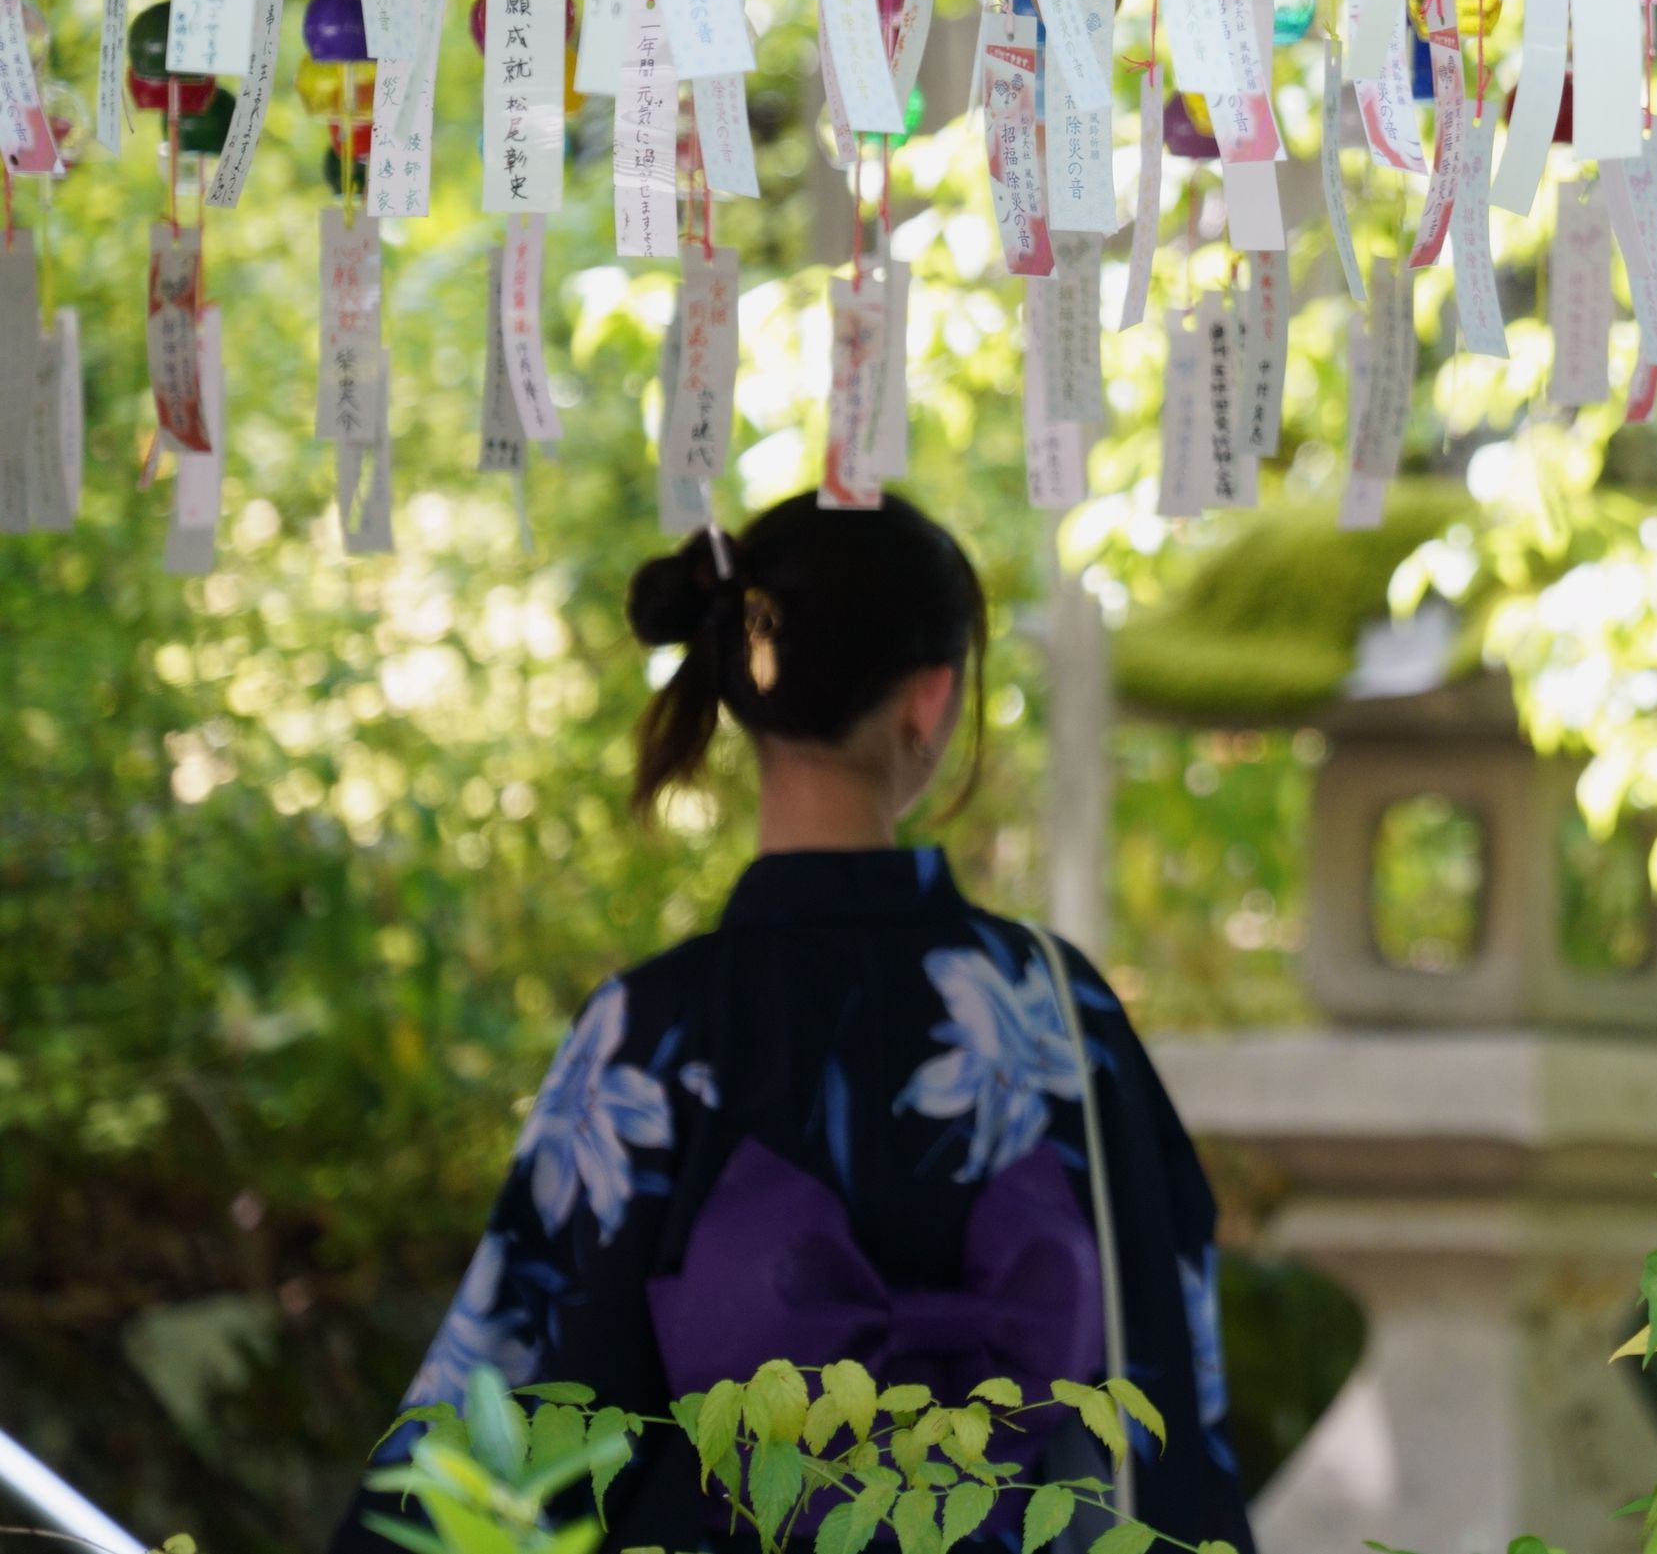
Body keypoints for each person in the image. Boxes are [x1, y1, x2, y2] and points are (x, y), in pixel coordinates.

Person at [332, 495, 1255, 1554]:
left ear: (740, 690)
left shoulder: (656, 1032)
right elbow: (1168, 1359)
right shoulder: (1056, 1007)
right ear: (931, 699)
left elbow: (508, 1390)